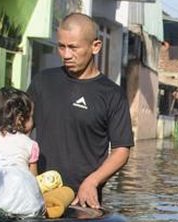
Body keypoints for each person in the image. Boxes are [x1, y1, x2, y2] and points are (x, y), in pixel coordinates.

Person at [28, 13, 133, 209]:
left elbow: (121, 151)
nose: (66, 55)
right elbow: (22, 127)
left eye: (73, 47)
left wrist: (93, 181)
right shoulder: (43, 82)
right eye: (61, 46)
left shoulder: (112, 94)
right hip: (39, 194)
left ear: (95, 47)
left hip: (82, 200)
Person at [0, 87, 45, 218]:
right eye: (31, 117)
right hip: (28, 204)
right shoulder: (31, 145)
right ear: (19, 119)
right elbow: (34, 178)